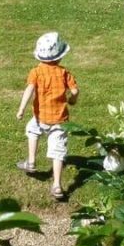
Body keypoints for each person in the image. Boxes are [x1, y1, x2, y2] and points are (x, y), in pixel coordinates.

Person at [15, 32, 80, 201]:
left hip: (40, 117)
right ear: (60, 56)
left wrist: (21, 109)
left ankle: (31, 162)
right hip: (60, 121)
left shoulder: (36, 72)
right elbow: (75, 90)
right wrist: (72, 99)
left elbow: (29, 90)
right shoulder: (64, 73)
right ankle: (57, 186)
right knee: (58, 152)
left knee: (32, 131)